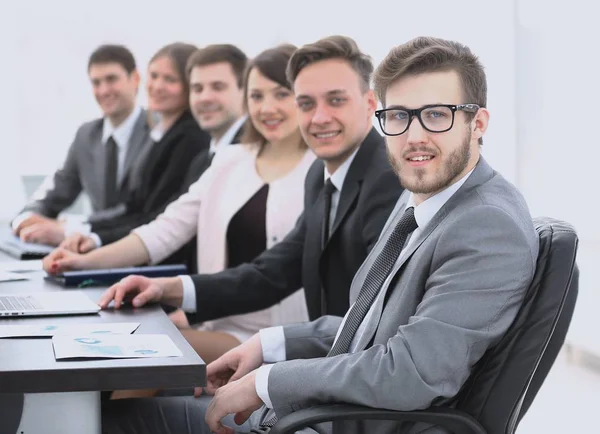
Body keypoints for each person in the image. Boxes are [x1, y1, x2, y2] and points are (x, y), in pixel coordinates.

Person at [102, 36, 540, 434]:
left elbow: (409, 373)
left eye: (436, 116)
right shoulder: (422, 198)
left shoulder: (485, 224)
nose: (415, 136)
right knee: (118, 411)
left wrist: (270, 382)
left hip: (351, 422)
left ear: (478, 123)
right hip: (330, 413)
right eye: (399, 117)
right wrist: (271, 345)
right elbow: (370, 325)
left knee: (123, 420)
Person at [93, 35, 404, 331]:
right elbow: (273, 273)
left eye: (336, 100)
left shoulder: (388, 178)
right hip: (317, 356)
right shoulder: (321, 176)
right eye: (307, 104)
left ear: (369, 103)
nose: (319, 117)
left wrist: (269, 355)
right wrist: (169, 288)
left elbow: (376, 319)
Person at [44, 44, 316, 364]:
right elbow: (165, 229)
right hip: (220, 321)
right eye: (257, 97)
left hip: (279, 338)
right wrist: (85, 261)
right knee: (113, 341)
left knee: (132, 353)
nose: (266, 108)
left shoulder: (319, 168)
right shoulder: (230, 161)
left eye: (281, 94)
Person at [61, 44, 249, 256]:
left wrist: (91, 241)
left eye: (170, 79)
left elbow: (162, 219)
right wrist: (89, 238)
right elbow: (149, 213)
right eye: (154, 76)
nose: (158, 86)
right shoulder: (164, 136)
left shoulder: (197, 140)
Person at [12, 44, 149, 246]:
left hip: (141, 248)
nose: (103, 90)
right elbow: (56, 190)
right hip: (91, 252)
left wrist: (69, 226)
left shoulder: (156, 132)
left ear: (135, 79)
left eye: (111, 79)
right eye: (96, 82)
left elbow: (137, 210)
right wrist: (27, 218)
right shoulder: (86, 136)